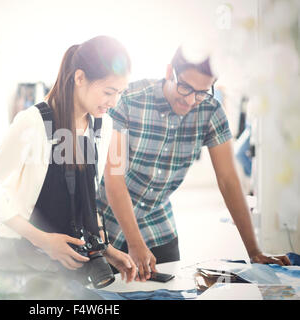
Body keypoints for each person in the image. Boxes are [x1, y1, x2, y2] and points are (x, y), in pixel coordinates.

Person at [97, 46, 291, 282]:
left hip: (158, 225)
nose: (190, 100)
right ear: (170, 72)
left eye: (201, 92)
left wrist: (255, 251)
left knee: (171, 292)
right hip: (106, 221)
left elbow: (228, 180)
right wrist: (134, 243)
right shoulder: (128, 99)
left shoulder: (211, 111)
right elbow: (114, 178)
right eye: (186, 87)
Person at [0, 36, 137, 299]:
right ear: (80, 77)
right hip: (20, 267)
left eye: (120, 93)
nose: (114, 102)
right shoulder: (33, 123)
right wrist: (43, 241)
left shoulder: (101, 125)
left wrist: (105, 250)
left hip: (68, 268)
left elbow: (82, 201)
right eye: (108, 92)